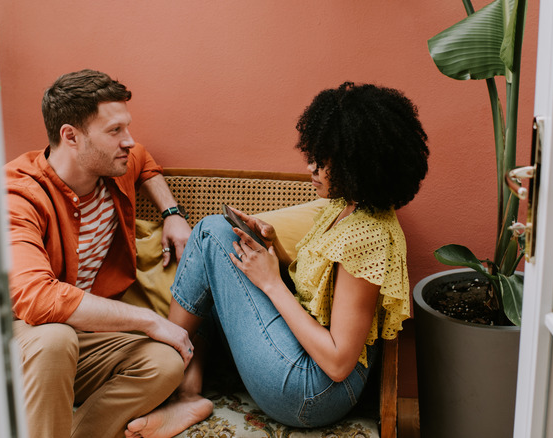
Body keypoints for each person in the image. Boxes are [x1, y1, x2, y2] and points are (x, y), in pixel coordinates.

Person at [125, 82, 430, 437]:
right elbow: (319, 289)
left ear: (358, 164)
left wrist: (270, 281)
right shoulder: (346, 206)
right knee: (219, 252)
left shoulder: (367, 236)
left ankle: (162, 375)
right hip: (307, 367)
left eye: (325, 159)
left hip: (313, 392)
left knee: (209, 233)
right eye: (314, 153)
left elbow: (337, 362)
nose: (312, 166)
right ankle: (187, 394)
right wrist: (272, 249)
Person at [5, 69, 196, 438]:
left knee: (165, 363)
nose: (129, 141)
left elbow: (145, 160)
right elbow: (37, 299)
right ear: (70, 136)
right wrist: (150, 320)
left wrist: (172, 213)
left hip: (83, 335)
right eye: (114, 131)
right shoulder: (17, 194)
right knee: (55, 338)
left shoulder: (113, 165)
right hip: (21, 335)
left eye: (127, 127)